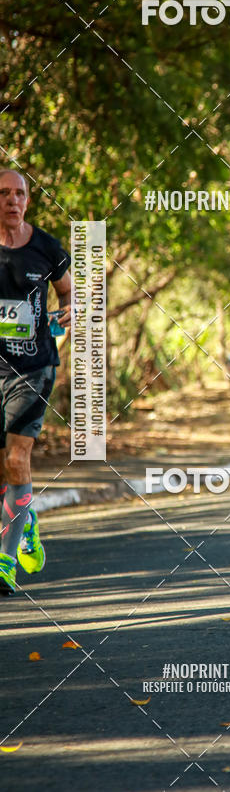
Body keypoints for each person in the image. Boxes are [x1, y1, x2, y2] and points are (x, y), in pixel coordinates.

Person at [0, 170, 71, 595]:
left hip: (33, 368)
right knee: (4, 470)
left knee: (18, 459)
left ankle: (4, 562)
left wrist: (71, 310)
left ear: (28, 200)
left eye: (19, 194)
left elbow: (69, 292)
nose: (12, 200)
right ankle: (26, 516)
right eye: (4, 193)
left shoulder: (47, 248)